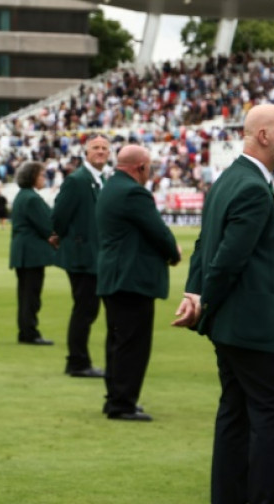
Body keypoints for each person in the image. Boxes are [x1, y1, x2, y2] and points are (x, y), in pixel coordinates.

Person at [173, 104, 274, 504]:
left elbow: (202, 245)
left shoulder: (229, 179)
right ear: (263, 135)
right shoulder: (248, 185)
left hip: (231, 324)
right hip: (249, 324)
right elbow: (225, 258)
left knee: (237, 415)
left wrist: (195, 294)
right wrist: (204, 300)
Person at [95, 145, 181, 422]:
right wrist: (173, 252)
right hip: (131, 278)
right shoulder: (134, 192)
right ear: (140, 167)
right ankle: (123, 403)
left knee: (118, 342)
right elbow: (157, 230)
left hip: (113, 275)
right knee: (133, 344)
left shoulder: (110, 188)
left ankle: (116, 399)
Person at [52, 134, 109, 378]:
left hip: (94, 255)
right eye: (95, 147)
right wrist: (65, 237)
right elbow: (59, 215)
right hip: (82, 255)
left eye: (104, 148)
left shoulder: (100, 179)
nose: (100, 151)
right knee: (84, 309)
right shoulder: (77, 180)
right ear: (86, 152)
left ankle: (79, 360)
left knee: (87, 310)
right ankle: (76, 362)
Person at [10, 161, 56, 346]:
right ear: (32, 177)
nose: (44, 178)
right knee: (31, 296)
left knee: (25, 295)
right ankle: (30, 332)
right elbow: (46, 225)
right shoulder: (32, 198)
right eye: (41, 175)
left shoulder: (23, 196)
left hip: (23, 252)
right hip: (32, 253)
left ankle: (25, 330)